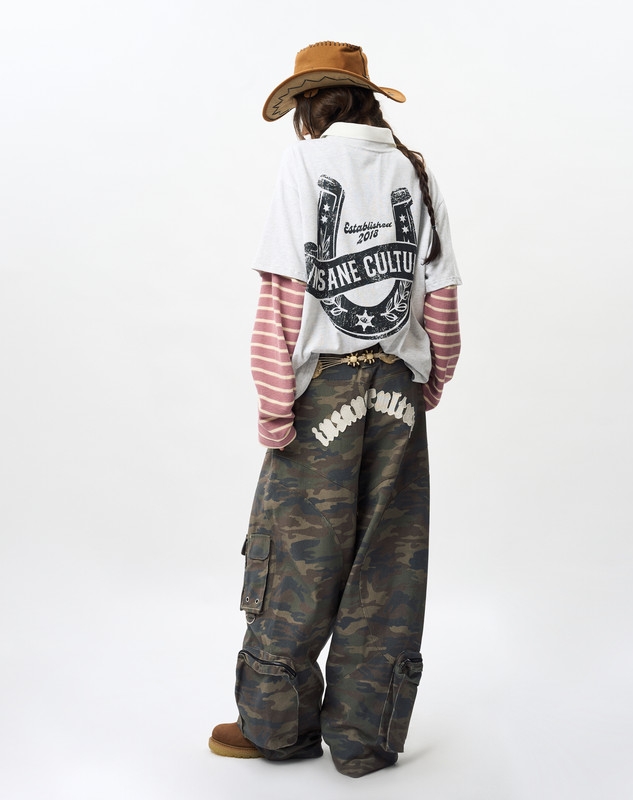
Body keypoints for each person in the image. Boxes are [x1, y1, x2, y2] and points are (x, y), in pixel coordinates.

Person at [208, 40, 462, 778]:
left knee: (297, 560)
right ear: (368, 101)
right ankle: (362, 739)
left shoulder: (307, 163)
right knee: (388, 565)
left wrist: (274, 409)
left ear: (310, 109)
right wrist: (429, 382)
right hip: (399, 395)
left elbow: (283, 291)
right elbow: (441, 295)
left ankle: (278, 729)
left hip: (324, 390)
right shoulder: (415, 170)